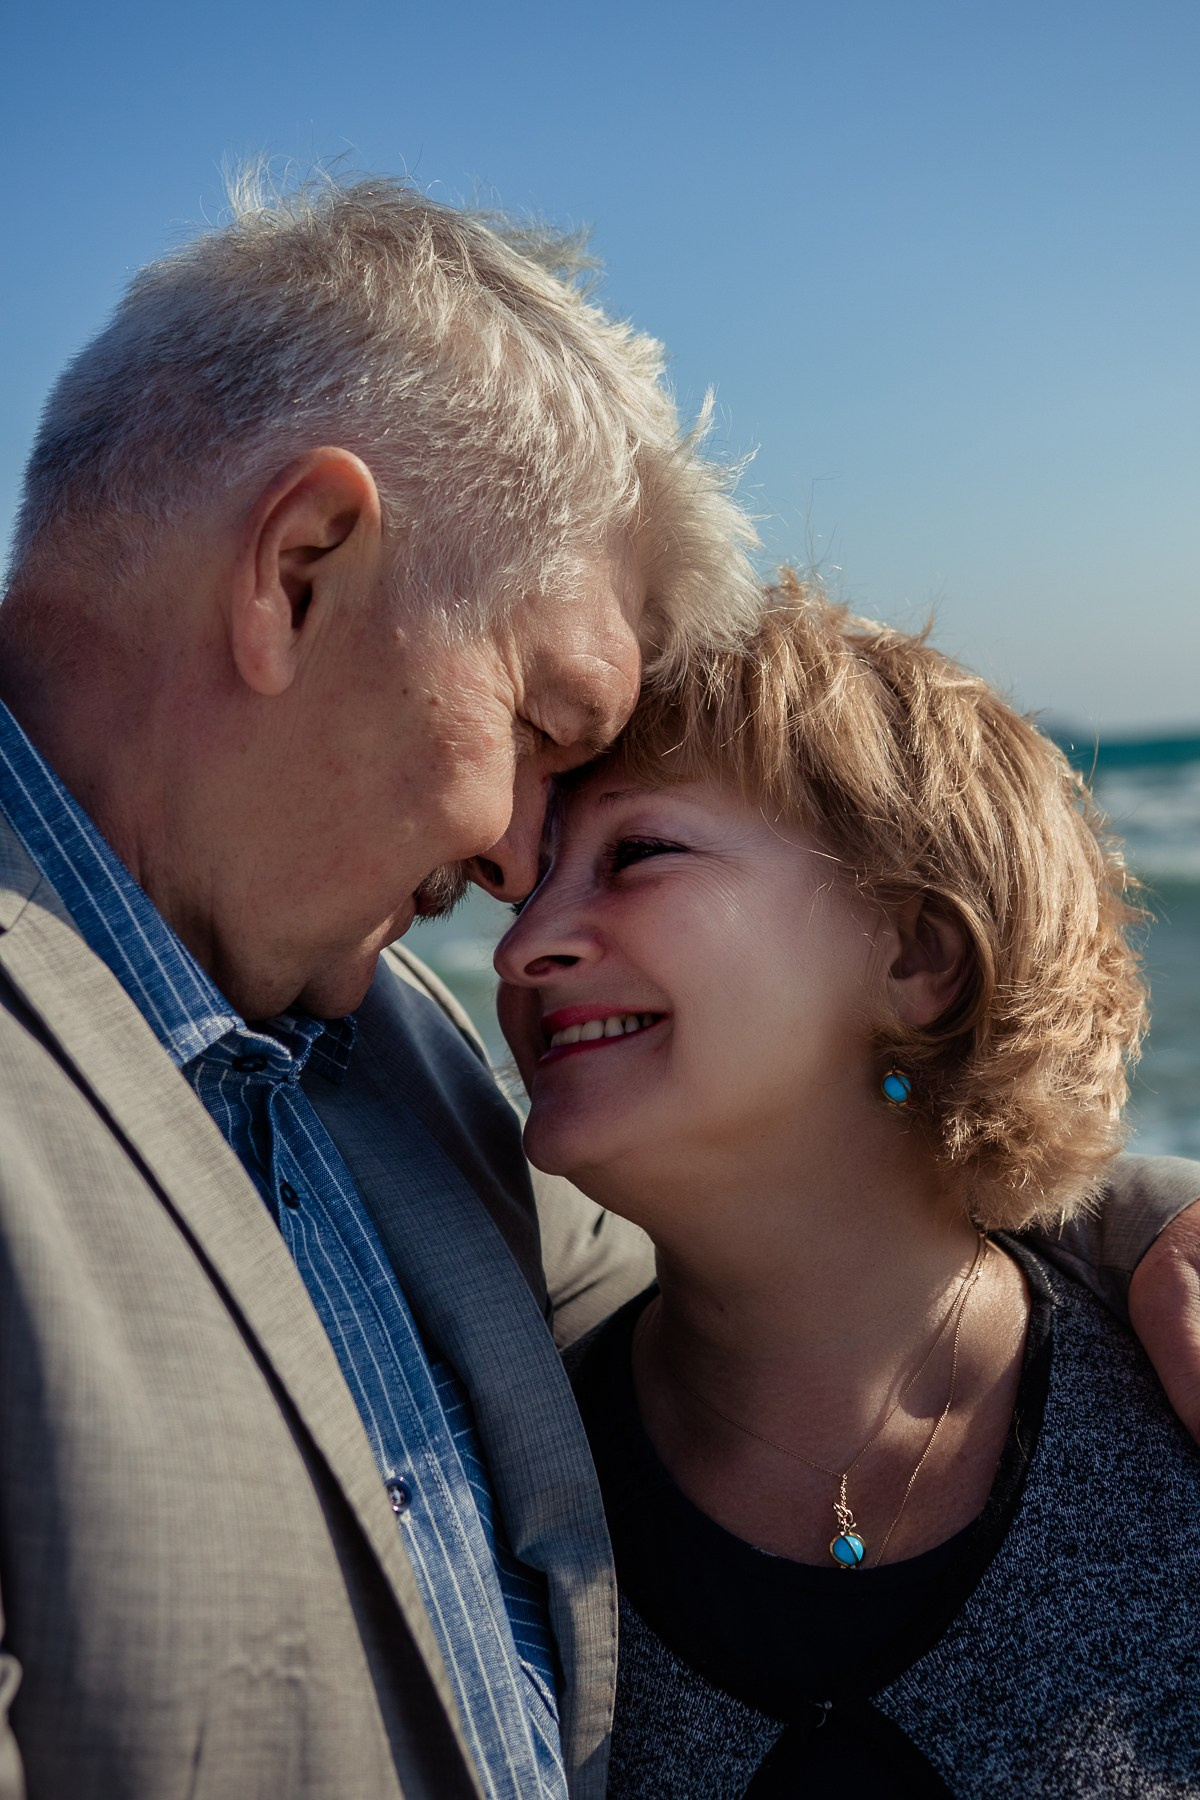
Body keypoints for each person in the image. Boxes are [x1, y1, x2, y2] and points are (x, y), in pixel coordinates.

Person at [0, 175, 1197, 1800]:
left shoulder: (370, 1053)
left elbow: (818, 1226)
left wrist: (1151, 1228)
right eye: (543, 730)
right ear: (297, 571)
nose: (513, 885)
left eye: (619, 847)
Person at [495, 573, 1200, 1796]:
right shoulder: (495, 1486)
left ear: (916, 954)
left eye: (637, 854)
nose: (520, 945)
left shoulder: (1174, 1422)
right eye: (529, 880)